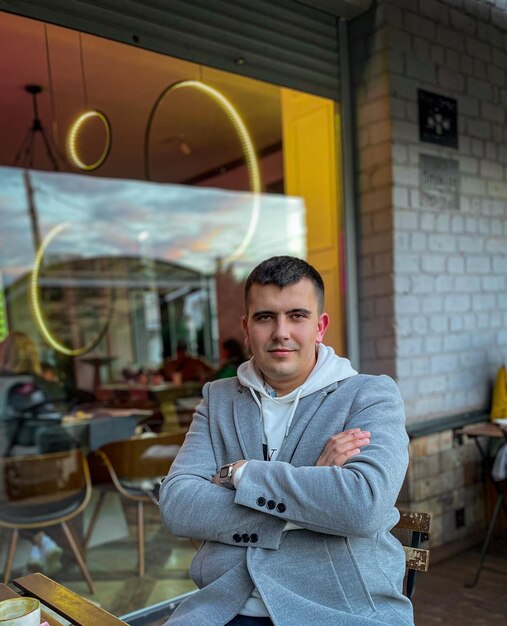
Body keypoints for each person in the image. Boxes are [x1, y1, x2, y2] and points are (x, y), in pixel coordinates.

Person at [159, 256, 413, 626]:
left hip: (338, 610)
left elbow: (362, 506)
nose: (281, 332)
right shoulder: (218, 398)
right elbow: (178, 505)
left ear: (320, 326)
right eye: (265, 317)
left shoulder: (370, 395)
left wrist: (242, 474)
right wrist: (313, 486)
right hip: (222, 608)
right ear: (247, 328)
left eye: (297, 315)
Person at [0, 331, 64, 574]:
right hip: (57, 482)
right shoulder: (45, 386)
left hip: (14, 482)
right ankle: (41, 544)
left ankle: (41, 543)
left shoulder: (4, 387)